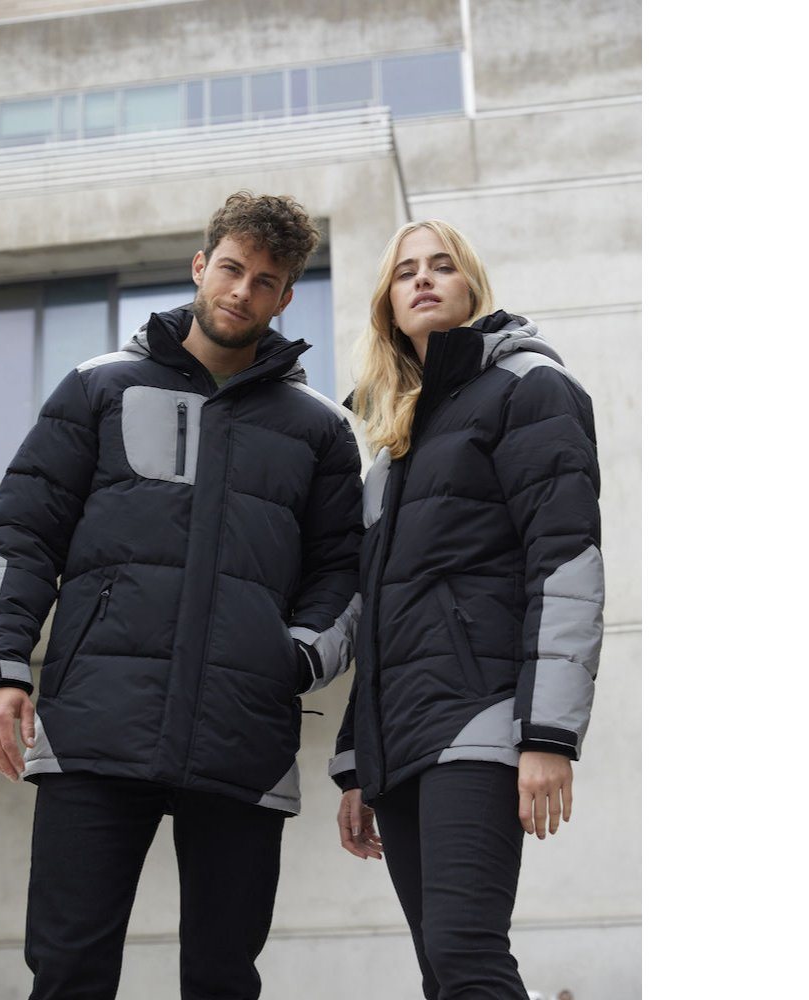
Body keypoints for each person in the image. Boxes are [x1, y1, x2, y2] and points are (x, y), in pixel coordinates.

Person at [0, 191, 363, 1000]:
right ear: (199, 265)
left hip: (242, 733)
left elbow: (343, 572)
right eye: (231, 269)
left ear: (286, 297)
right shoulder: (98, 387)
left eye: (265, 281)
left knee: (223, 978)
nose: (242, 292)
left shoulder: (319, 429)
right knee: (68, 970)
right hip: (95, 723)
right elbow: (21, 534)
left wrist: (291, 660)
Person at [330, 220, 603, 999]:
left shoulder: (529, 388)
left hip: (481, 716)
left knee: (465, 954)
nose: (422, 278)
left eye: (442, 266)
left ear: (472, 287)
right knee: (441, 973)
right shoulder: (392, 450)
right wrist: (357, 761)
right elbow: (382, 615)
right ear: (387, 304)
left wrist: (546, 732)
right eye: (405, 271)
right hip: (400, 737)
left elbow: (566, 561)